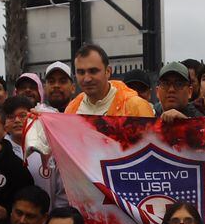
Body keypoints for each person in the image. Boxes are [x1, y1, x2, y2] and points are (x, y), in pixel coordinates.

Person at [24, 45, 155, 160]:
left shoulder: (135, 105)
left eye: (93, 71)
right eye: (81, 72)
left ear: (108, 71)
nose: (87, 78)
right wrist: (42, 123)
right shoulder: (72, 109)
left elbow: (152, 152)